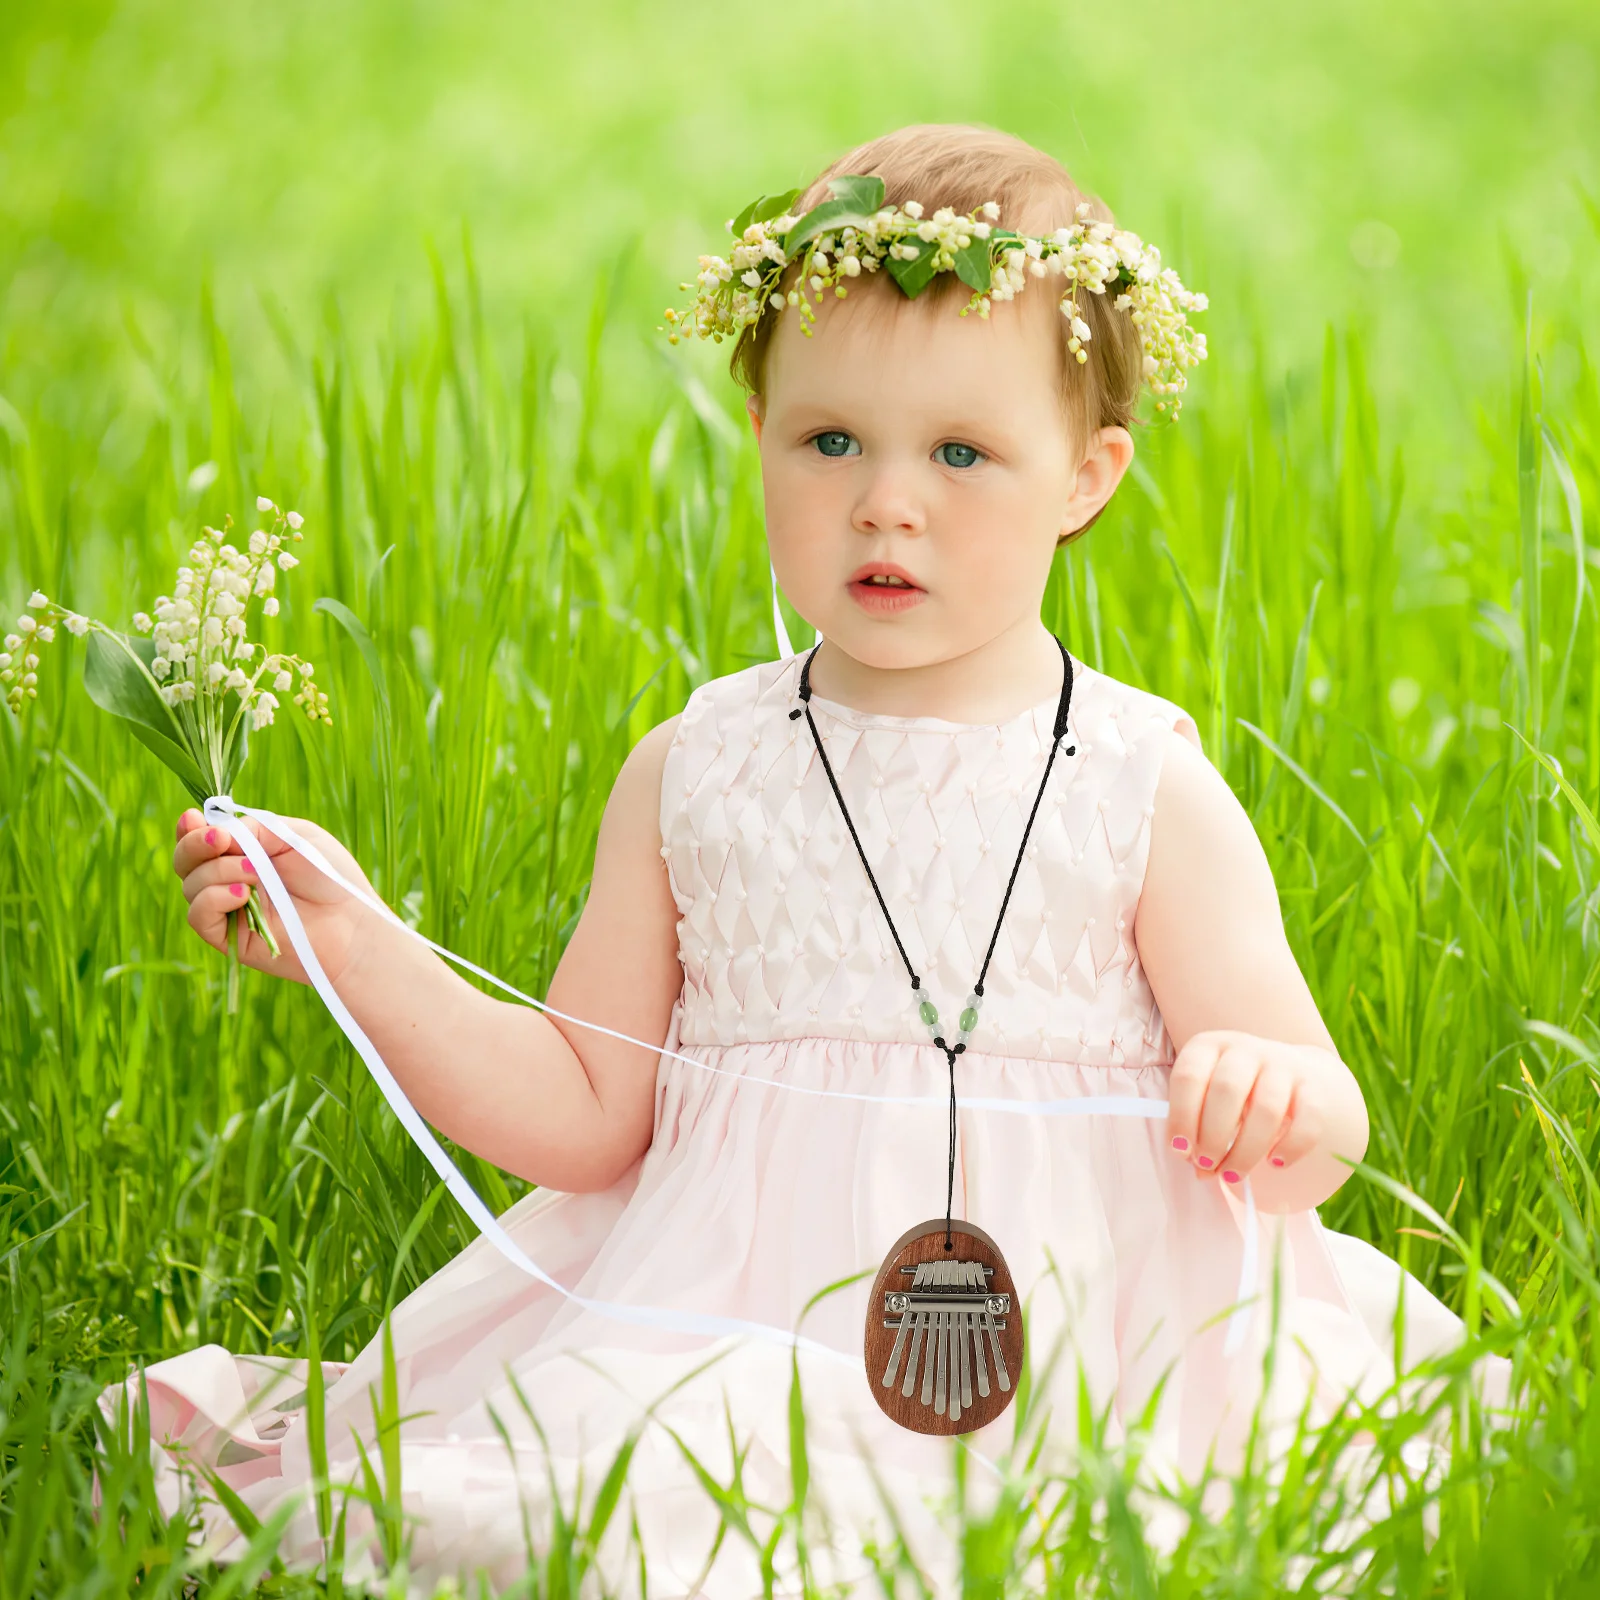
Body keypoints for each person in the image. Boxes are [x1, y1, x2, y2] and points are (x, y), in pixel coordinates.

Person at [98, 123, 1506, 1597]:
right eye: (831, 442)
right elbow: (582, 1117)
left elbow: (1319, 1137)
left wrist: (1271, 1092)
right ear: (761, 430)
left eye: (961, 454)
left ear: (1086, 479)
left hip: (1097, 1342)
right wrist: (360, 950)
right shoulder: (698, 772)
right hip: (734, 1329)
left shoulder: (1138, 781)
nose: (887, 500)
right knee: (639, 1511)